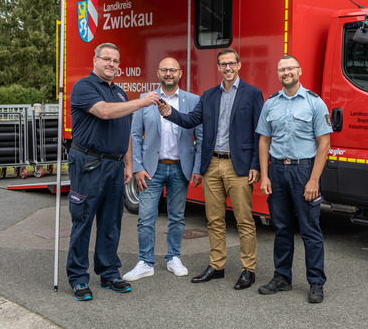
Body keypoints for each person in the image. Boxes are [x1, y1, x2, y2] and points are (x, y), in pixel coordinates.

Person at [158, 48, 263, 290]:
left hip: (239, 166)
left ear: (239, 65)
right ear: (218, 68)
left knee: (244, 220)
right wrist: (169, 112)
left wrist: (256, 165)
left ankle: (249, 269)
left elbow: (259, 133)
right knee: (214, 220)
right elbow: (191, 120)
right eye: (223, 64)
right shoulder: (209, 95)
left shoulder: (253, 94)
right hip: (212, 165)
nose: (227, 68)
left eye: (231, 63)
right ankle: (217, 265)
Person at [67, 42, 159, 301]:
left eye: (115, 60)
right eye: (106, 59)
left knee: (111, 223)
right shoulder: (84, 87)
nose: (111, 64)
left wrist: (129, 163)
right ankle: (78, 278)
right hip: (89, 163)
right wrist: (141, 102)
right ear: (94, 60)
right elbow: (105, 113)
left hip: (115, 165)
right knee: (83, 220)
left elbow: (126, 130)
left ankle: (108, 272)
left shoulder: (119, 92)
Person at [256, 55, 332, 303]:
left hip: (303, 171)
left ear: (299, 70)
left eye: (290, 68)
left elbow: (324, 144)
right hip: (277, 171)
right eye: (281, 69)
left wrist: (313, 180)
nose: (286, 72)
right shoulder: (271, 104)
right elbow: (264, 140)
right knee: (282, 228)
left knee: (310, 229)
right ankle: (282, 277)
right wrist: (265, 175)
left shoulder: (314, 103)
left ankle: (316, 282)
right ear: (277, 74)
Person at [122, 57, 203, 282]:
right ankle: (145, 262)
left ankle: (173, 257)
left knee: (177, 217)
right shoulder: (145, 100)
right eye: (164, 70)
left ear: (180, 73)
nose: (169, 73)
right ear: (158, 73)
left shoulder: (193, 100)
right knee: (146, 218)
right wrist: (137, 167)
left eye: (173, 70)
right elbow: (135, 135)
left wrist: (197, 168)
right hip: (151, 170)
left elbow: (201, 136)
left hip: (180, 169)